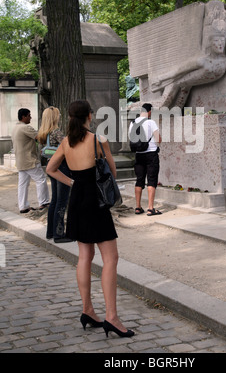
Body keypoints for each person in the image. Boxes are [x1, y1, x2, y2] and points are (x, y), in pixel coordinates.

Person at [46, 99, 134, 338]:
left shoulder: (65, 142)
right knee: (110, 258)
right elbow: (112, 174)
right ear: (88, 116)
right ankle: (112, 317)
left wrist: (72, 182)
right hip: (95, 201)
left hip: (77, 200)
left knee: (84, 256)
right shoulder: (98, 140)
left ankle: (87, 310)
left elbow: (50, 169)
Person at [37, 107, 72, 243]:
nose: (60, 117)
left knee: (55, 200)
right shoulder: (56, 132)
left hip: (51, 166)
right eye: (58, 115)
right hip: (62, 167)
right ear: (54, 117)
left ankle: (50, 232)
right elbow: (68, 145)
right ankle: (59, 233)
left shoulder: (43, 133)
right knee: (62, 200)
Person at [11, 108, 50, 214]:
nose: (30, 117)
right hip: (30, 160)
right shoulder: (26, 127)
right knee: (41, 179)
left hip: (20, 161)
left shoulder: (15, 128)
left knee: (23, 184)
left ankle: (23, 206)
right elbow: (40, 138)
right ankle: (44, 202)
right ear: (23, 117)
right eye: (29, 115)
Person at [129, 103, 162, 216]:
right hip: (151, 154)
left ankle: (138, 207)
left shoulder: (132, 123)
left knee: (139, 180)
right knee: (151, 180)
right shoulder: (151, 122)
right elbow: (159, 139)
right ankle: (150, 208)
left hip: (138, 155)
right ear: (149, 112)